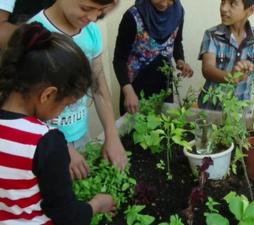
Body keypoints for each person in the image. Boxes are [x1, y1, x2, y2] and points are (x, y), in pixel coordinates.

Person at [0, 22, 115, 225]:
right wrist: (97, 204)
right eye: (66, 105)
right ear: (48, 94)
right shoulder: (46, 142)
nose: (62, 111)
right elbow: (67, 216)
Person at [28, 0, 127, 180]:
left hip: (81, 135)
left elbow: (98, 86)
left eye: (100, 10)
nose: (92, 17)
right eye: (86, 8)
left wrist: (112, 135)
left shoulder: (91, 32)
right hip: (43, 145)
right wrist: (61, 146)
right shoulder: (34, 35)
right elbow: (24, 107)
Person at [113, 0, 193, 115]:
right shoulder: (133, 16)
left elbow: (177, 42)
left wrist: (180, 60)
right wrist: (128, 91)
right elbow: (119, 59)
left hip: (164, 88)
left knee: (164, 130)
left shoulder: (178, 12)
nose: (164, 4)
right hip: (135, 92)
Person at [197, 0, 254, 110]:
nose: (223, 8)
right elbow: (207, 69)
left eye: (232, 3)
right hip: (211, 110)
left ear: (250, 10)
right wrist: (230, 77)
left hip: (241, 113)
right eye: (222, 2)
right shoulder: (212, 34)